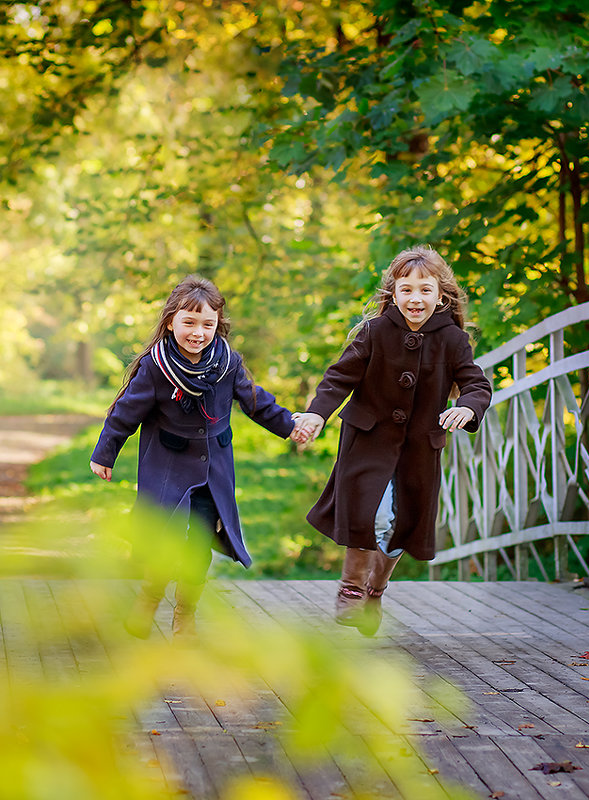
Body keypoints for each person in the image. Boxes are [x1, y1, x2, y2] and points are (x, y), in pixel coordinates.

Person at [293, 245, 492, 636]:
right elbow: (339, 378)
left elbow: (475, 383)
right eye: (406, 290)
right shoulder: (374, 332)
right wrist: (317, 413)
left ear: (441, 295)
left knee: (403, 524)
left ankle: (375, 591)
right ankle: (351, 590)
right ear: (393, 292)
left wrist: (467, 408)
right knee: (374, 514)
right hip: (368, 441)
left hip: (419, 448)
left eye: (424, 290)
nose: (415, 298)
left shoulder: (452, 339)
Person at [90, 275, 298, 639]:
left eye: (208, 324)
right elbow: (125, 412)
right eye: (189, 322)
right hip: (168, 468)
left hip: (212, 471)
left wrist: (289, 425)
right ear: (171, 322)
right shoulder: (156, 367)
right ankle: (149, 597)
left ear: (218, 326)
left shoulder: (227, 363)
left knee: (200, 544)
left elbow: (255, 400)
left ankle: (185, 613)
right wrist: (105, 453)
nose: (198, 332)